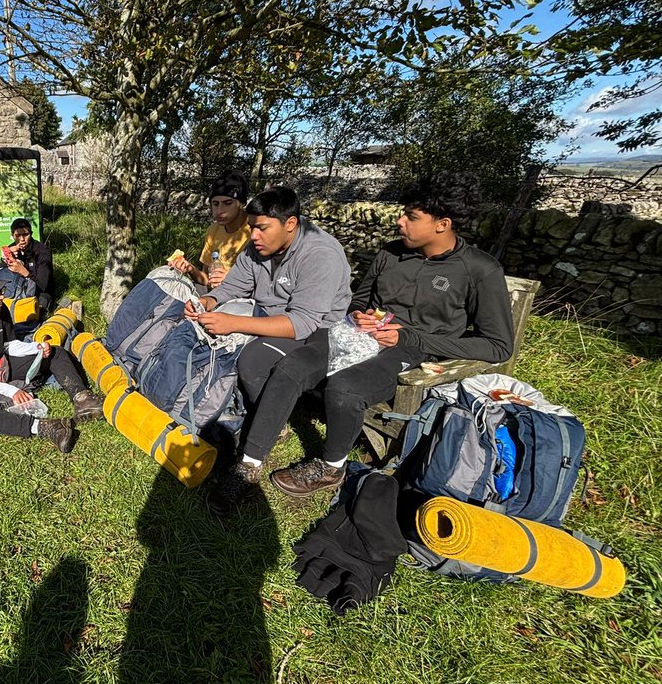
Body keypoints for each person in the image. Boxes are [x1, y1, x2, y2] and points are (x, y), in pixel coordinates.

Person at [217, 178, 515, 511]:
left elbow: (498, 346)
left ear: (442, 225)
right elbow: (361, 299)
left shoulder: (480, 270)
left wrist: (408, 336)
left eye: (411, 217)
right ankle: (248, 465)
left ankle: (332, 468)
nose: (400, 222)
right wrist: (361, 315)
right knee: (291, 367)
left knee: (344, 389)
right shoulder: (391, 253)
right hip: (358, 335)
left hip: (413, 350)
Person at [187, 187, 353, 515]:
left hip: (319, 329)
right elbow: (235, 285)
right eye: (252, 227)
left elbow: (302, 323)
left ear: (290, 223)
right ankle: (270, 419)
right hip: (272, 317)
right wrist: (208, 300)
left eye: (262, 228)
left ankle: (250, 461)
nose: (254, 235)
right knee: (241, 359)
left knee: (254, 361)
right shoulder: (259, 245)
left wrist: (234, 323)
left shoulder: (321, 254)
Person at [0, 267, 102, 453]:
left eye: (0, 291)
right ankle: (44, 427)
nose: (1, 296)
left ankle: (82, 399)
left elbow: (9, 346)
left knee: (54, 352)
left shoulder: (1, 310)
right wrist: (10, 390)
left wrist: (37, 347)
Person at [168, 170, 252, 290]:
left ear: (242, 203)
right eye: (215, 204)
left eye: (227, 203)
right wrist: (189, 268)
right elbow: (207, 279)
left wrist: (231, 280)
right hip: (214, 297)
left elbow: (265, 282)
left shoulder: (256, 231)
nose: (220, 210)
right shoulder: (213, 231)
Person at [0, 217, 55, 308]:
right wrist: (7, 257)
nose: (22, 239)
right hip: (17, 289)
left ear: (31, 234)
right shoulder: (11, 249)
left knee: (41, 304)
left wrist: (24, 272)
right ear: (12, 235)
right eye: (18, 235)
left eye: (25, 235)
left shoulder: (42, 252)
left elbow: (43, 285)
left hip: (39, 291)